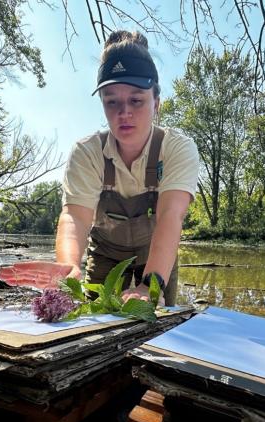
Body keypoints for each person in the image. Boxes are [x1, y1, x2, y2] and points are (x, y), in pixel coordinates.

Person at [55, 30, 199, 306]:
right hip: (105, 252)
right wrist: (68, 267)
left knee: (159, 323)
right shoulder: (86, 152)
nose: (124, 113)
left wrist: (150, 286)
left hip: (156, 251)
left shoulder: (178, 148)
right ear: (102, 104)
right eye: (112, 101)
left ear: (156, 102)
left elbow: (171, 216)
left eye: (136, 100)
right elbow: (75, 217)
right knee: (95, 320)